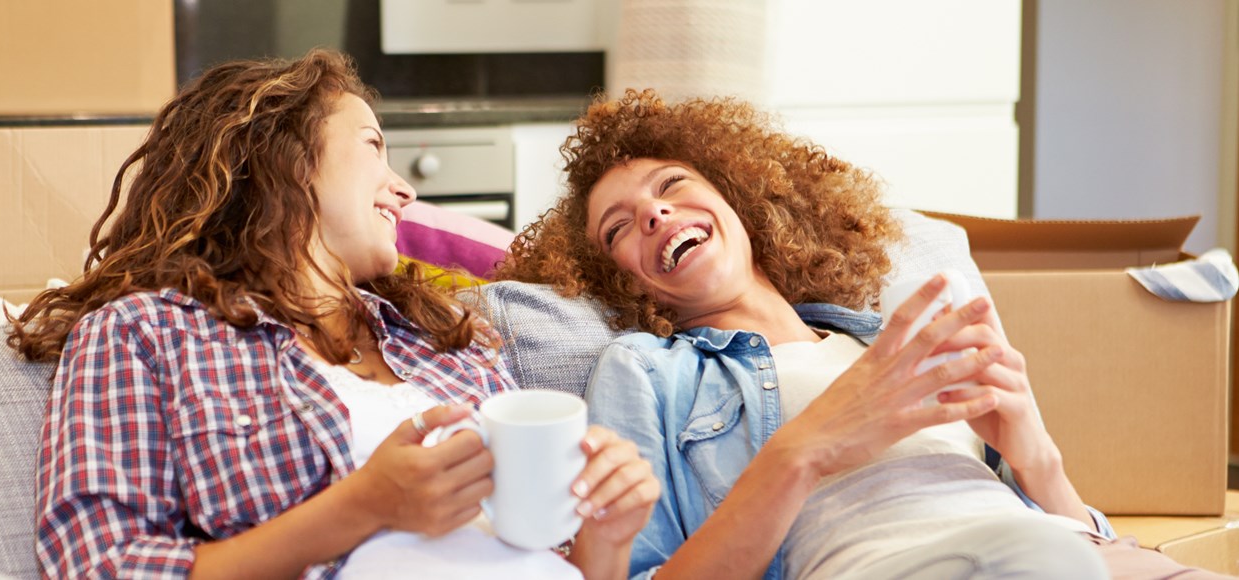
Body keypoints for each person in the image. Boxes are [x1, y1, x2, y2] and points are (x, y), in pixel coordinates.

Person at [497, 89, 1232, 580]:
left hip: (1071, 553)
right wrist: (806, 449)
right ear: (621, 277)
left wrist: (1036, 454)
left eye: (671, 186)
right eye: (618, 227)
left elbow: (1082, 536)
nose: (654, 215)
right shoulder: (643, 372)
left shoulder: (885, 339)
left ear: (740, 200)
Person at [8, 50, 659, 579]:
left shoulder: (447, 343)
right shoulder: (146, 333)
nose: (404, 189)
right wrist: (363, 507)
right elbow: (97, 563)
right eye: (374, 145)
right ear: (284, 158)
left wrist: (607, 533)